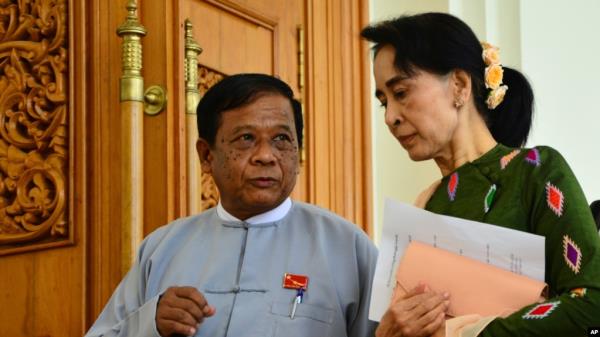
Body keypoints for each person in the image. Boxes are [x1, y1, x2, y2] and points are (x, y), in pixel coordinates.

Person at [361, 12, 600, 337]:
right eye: (383, 102)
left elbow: (590, 302)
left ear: (459, 85)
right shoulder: (423, 208)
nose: (390, 117)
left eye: (401, 93)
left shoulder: (536, 172)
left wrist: (468, 332)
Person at [85, 74, 378, 337]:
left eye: (281, 139)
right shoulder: (161, 249)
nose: (266, 155)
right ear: (206, 156)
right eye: (246, 139)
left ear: (297, 152)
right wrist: (151, 324)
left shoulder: (348, 248)